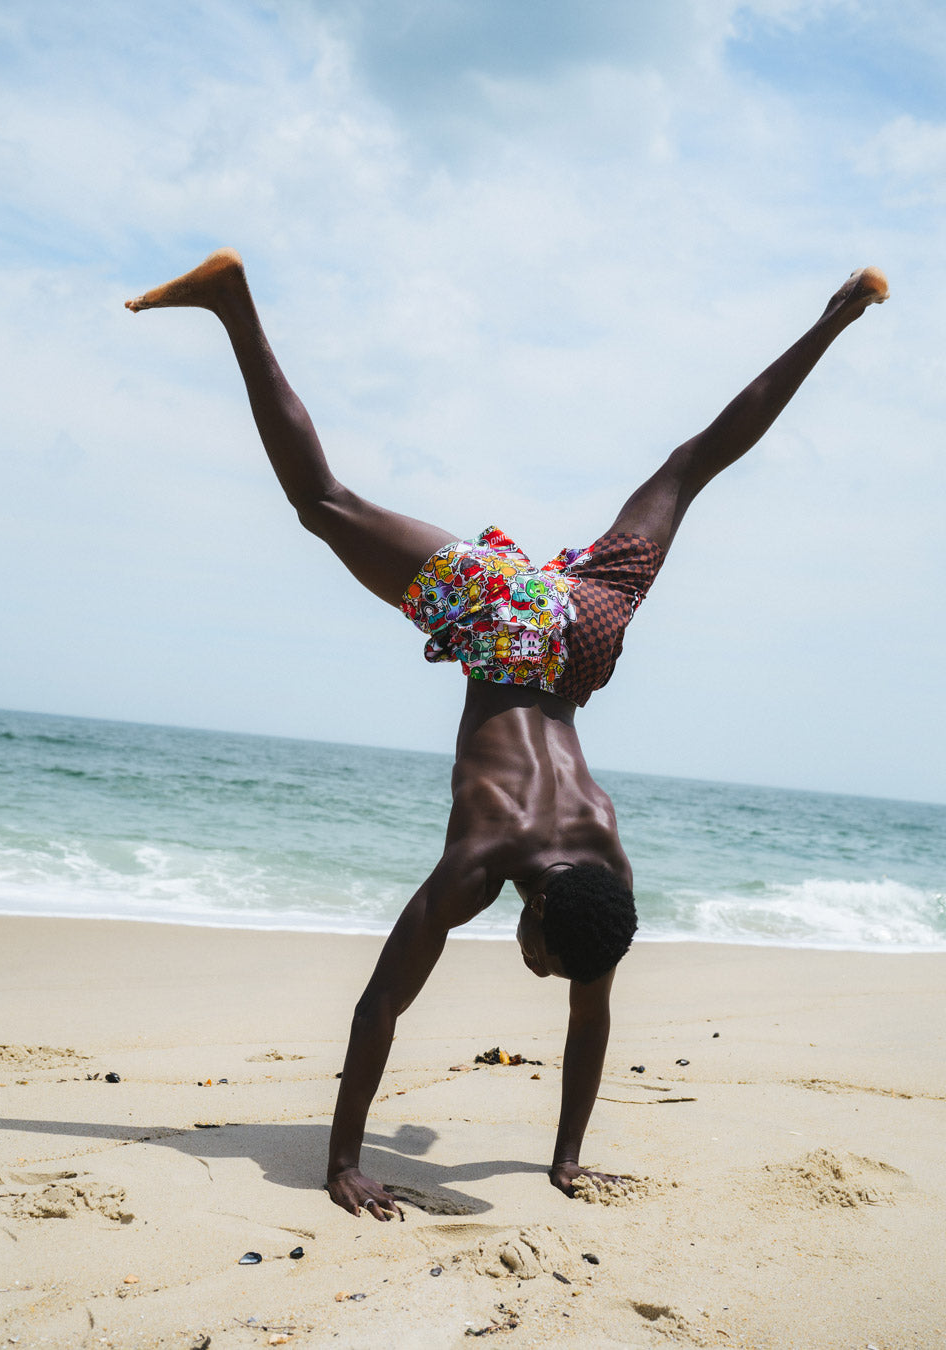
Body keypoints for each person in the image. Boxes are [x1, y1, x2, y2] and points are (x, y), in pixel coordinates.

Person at [125, 252, 889, 1221]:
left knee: (688, 469)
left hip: (583, 635)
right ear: (532, 914)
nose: (536, 969)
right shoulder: (483, 861)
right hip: (510, 625)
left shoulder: (605, 876)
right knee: (323, 504)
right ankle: (233, 302)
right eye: (541, 957)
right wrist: (343, 1163)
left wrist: (565, 1160)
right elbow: (376, 1009)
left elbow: (592, 1011)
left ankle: (835, 317)